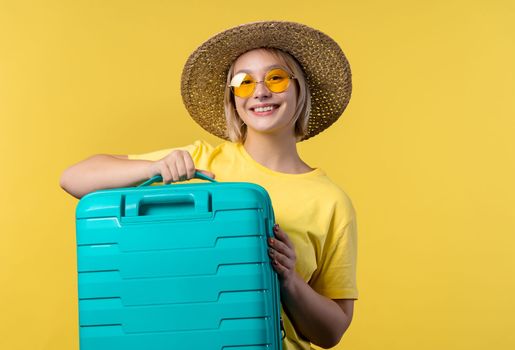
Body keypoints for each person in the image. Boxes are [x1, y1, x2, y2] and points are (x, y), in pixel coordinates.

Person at [61, 21, 358, 350]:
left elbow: (331, 333)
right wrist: (156, 168)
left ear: (299, 89)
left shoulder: (330, 201)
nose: (259, 91)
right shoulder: (200, 163)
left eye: (276, 78)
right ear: (233, 99)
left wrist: (290, 279)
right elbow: (74, 178)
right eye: (243, 82)